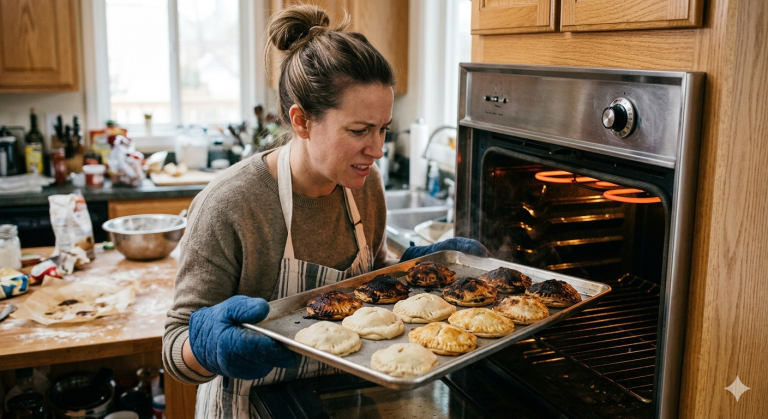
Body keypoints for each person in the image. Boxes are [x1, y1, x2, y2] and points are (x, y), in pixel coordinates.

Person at [162, 5, 488, 417]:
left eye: (383, 129)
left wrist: (409, 273)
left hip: (342, 402)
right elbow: (174, 347)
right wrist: (208, 345)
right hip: (251, 406)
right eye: (359, 130)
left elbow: (368, 286)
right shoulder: (230, 204)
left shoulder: (365, 185)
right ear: (301, 121)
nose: (377, 149)